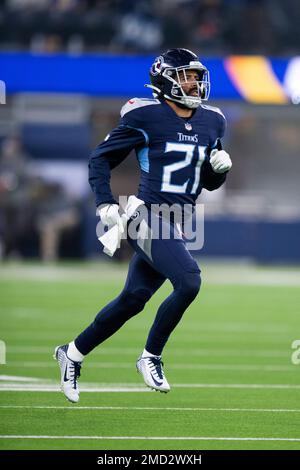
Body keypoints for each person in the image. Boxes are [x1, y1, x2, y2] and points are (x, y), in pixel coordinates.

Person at [54, 48, 232, 403]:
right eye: (187, 76)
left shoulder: (213, 121)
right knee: (189, 280)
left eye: (197, 76)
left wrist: (219, 171)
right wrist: (105, 201)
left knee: (133, 299)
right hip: (144, 215)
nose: (195, 83)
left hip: (178, 221)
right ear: (166, 79)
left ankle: (71, 353)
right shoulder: (146, 115)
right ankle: (150, 356)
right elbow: (101, 158)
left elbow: (207, 183)